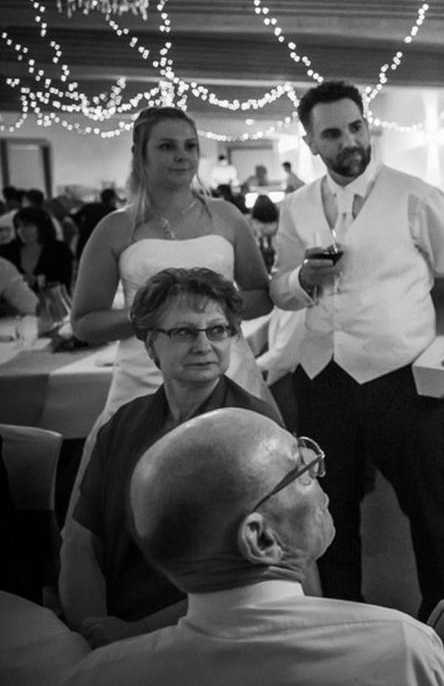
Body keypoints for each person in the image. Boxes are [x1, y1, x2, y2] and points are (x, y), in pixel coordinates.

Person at [270, 80, 444, 620]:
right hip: (322, 381)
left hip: (401, 381)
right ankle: (346, 620)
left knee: (429, 510)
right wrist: (302, 278)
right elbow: (280, 289)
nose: (349, 141)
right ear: (310, 143)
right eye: (332, 133)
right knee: (328, 512)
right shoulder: (295, 208)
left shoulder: (415, 195)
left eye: (356, 127)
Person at [63, 408, 444, 686]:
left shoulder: (99, 675)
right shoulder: (397, 647)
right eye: (302, 472)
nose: (321, 475)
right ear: (261, 538)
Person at [60, 268, 282, 648]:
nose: (203, 345)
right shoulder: (123, 424)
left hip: (217, 631)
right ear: (150, 347)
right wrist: (93, 629)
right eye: (182, 332)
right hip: (112, 622)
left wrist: (137, 635)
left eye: (217, 330)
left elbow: (263, 572)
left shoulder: (256, 429)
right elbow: (81, 543)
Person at [71, 106, 274, 466]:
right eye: (166, 146)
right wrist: (156, 318)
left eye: (190, 146)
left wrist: (212, 317)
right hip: (145, 376)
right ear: (140, 154)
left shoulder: (226, 216)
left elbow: (261, 296)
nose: (182, 155)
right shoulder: (115, 228)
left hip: (226, 368)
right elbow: (85, 322)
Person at [0, 205, 74, 289]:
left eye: (27, 225)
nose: (21, 230)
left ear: (41, 226)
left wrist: (37, 281)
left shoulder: (59, 250)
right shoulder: (6, 252)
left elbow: (64, 283)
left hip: (49, 300)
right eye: (18, 226)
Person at [74, 188, 121, 260]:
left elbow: (74, 218)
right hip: (102, 246)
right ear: (112, 199)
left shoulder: (88, 207)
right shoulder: (112, 211)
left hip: (84, 243)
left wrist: (81, 228)